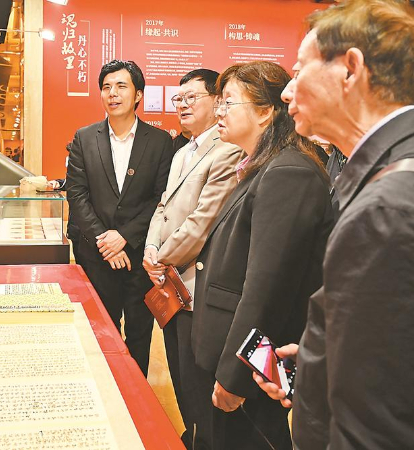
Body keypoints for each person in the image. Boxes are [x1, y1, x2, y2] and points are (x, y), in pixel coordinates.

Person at [251, 1, 414, 448]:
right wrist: (320, 360)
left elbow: (376, 428)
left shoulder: (387, 208)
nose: (287, 92)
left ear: (350, 69)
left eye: (299, 69)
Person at [189, 61, 334, 450]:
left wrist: (234, 375)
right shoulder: (262, 167)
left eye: (229, 102)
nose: (219, 112)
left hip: (253, 367)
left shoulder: (289, 173)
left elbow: (267, 288)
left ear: (266, 112)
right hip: (236, 352)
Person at [142, 68, 243, 449]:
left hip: (196, 286)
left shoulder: (227, 150)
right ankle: (191, 435)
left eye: (191, 97)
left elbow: (203, 221)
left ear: (217, 102)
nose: (182, 105)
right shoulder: (182, 151)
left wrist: (162, 259)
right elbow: (163, 208)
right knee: (179, 375)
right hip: (169, 280)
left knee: (198, 379)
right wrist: (150, 250)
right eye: (178, 98)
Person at [67, 59, 174, 376]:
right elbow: (77, 194)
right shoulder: (85, 138)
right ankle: (106, 389)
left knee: (140, 334)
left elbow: (160, 198)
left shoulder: (159, 141)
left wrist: (124, 236)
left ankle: (136, 393)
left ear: (138, 94)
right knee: (102, 331)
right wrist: (105, 241)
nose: (112, 93)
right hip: (97, 255)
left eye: (121, 86)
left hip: (139, 255)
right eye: (106, 87)